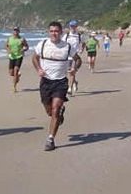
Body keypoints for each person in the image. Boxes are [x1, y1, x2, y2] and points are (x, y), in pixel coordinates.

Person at [32, 21, 82, 151]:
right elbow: (34, 58)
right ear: (49, 32)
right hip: (46, 82)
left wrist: (74, 69)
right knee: (49, 110)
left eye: (56, 31)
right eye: (51, 31)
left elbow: (78, 59)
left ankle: (50, 139)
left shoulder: (67, 47)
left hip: (60, 82)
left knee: (55, 109)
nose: (54, 33)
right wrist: (38, 69)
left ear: (61, 32)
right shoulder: (42, 44)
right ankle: (59, 114)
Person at [62, 20, 85, 95]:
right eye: (71, 26)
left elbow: (83, 43)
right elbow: (62, 44)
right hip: (67, 57)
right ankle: (75, 82)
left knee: (72, 72)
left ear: (76, 27)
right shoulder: (66, 35)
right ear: (69, 27)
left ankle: (69, 88)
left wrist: (81, 49)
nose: (73, 27)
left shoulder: (79, 35)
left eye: (74, 26)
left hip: (76, 56)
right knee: (70, 73)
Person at [6, 26, 29, 92]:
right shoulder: (9, 39)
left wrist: (24, 49)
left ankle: (14, 87)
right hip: (12, 57)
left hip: (19, 56)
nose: (15, 32)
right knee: (11, 73)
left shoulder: (22, 39)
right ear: (13, 31)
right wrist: (8, 50)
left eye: (17, 30)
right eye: (14, 30)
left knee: (16, 71)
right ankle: (17, 76)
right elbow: (6, 46)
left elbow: (27, 46)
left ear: (19, 31)